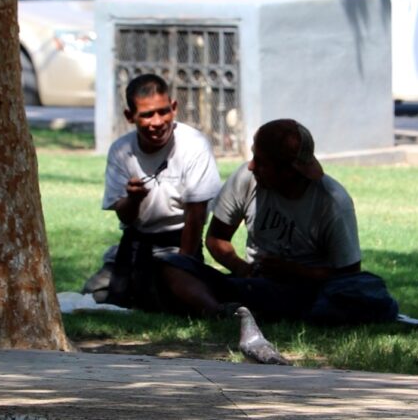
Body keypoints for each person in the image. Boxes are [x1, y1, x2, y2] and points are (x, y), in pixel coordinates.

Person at [158, 119, 399, 324]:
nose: (252, 166)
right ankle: (222, 313)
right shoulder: (246, 178)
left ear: (289, 171)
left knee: (353, 295)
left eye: (261, 161)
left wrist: (294, 272)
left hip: (308, 293)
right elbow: (217, 238)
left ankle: (254, 311)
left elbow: (349, 276)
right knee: (173, 265)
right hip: (252, 285)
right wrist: (242, 268)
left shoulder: (332, 201)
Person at [90, 73, 221, 311]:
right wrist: (133, 199)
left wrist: (184, 265)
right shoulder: (121, 150)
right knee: (94, 295)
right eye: (147, 115)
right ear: (130, 117)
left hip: (179, 241)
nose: (158, 122)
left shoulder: (194, 145)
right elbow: (126, 217)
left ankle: (215, 308)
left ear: (174, 107)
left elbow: (196, 217)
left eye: (163, 111)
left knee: (170, 292)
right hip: (136, 240)